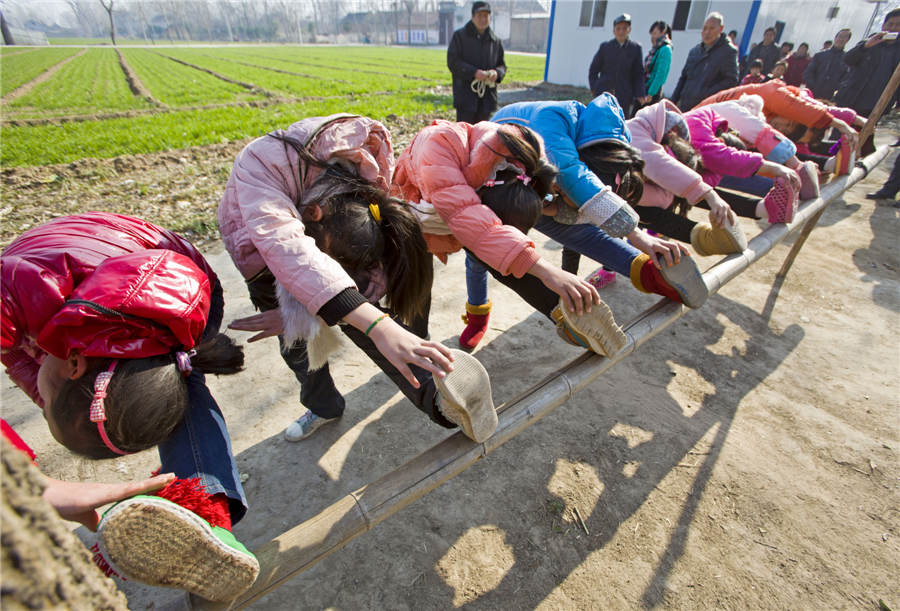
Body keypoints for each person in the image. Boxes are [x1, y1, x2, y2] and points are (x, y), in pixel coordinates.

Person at [0, 212, 259, 602]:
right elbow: (19, 357)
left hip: (188, 288)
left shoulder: (10, 292)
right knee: (146, 399)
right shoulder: (29, 319)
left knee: (173, 392)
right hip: (127, 278)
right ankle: (208, 515)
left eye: (45, 404)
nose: (40, 399)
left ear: (75, 364)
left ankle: (209, 516)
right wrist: (35, 472)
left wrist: (25, 484)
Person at [219, 114, 499, 444]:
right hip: (265, 258)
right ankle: (323, 406)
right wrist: (306, 313)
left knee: (374, 322)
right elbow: (287, 249)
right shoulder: (259, 165)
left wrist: (374, 319)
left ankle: (440, 401)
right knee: (302, 340)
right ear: (313, 215)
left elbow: (354, 279)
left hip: (328, 244)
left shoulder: (361, 170)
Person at [453, 95, 711, 350]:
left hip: (537, 180)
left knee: (580, 230)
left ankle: (650, 273)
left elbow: (581, 196)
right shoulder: (552, 128)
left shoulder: (602, 144)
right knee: (484, 250)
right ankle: (479, 315)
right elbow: (575, 179)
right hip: (495, 181)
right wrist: (638, 235)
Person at [393, 119, 630, 358]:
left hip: (463, 202)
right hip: (418, 207)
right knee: (419, 278)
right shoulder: (438, 147)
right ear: (482, 199)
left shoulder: (522, 158)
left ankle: (566, 314)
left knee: (505, 259)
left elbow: (493, 227)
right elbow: (477, 224)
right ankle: (419, 344)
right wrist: (549, 271)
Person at [627, 100, 749, 256]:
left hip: (603, 196)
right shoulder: (635, 134)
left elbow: (663, 184)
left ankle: (704, 238)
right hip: (592, 188)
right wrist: (710, 195)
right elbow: (660, 165)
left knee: (641, 209)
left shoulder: (647, 141)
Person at [684, 104, 802, 223]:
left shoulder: (709, 128)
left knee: (694, 186)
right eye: (788, 125)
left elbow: (711, 171)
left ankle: (763, 208)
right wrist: (777, 168)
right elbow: (722, 158)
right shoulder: (701, 120)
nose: (785, 128)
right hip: (670, 157)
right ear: (720, 141)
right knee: (695, 186)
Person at [446, 1, 506, 123]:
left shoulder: (495, 41)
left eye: (486, 16)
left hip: (487, 99)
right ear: (473, 17)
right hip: (466, 98)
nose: (483, 19)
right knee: (465, 134)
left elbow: (502, 65)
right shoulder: (460, 36)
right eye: (480, 15)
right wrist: (474, 73)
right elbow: (453, 61)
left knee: (483, 135)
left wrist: (497, 73)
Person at [836, 9, 900, 120]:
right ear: (883, 25)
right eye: (890, 24)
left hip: (877, 107)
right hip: (851, 100)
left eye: (898, 25)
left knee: (865, 136)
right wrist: (864, 47)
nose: (893, 28)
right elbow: (847, 60)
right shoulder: (869, 42)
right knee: (841, 135)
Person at [671, 12, 739, 112]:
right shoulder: (695, 51)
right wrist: (672, 102)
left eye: (711, 28)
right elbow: (683, 78)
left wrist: (705, 95)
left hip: (706, 110)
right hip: (685, 107)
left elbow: (731, 81)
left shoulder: (728, 52)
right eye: (705, 28)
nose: (707, 32)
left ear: (720, 29)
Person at [588, 13, 646, 117]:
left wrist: (640, 93)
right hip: (604, 94)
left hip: (624, 95)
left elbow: (638, 73)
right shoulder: (605, 47)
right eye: (618, 28)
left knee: (620, 123)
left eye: (624, 28)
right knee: (601, 120)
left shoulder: (635, 48)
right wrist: (595, 88)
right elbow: (593, 70)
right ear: (614, 30)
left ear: (629, 30)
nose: (621, 31)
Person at [803, 28, 851, 100]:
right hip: (811, 94)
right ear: (835, 38)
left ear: (847, 40)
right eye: (840, 36)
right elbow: (808, 73)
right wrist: (812, 86)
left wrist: (835, 92)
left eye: (845, 37)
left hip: (829, 99)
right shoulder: (820, 55)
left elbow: (845, 80)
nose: (841, 39)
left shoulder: (847, 60)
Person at [641, 20, 673, 106]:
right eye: (651, 34)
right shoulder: (656, 49)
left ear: (663, 32)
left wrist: (651, 93)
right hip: (645, 88)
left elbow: (661, 74)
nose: (652, 37)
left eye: (655, 33)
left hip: (652, 93)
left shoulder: (665, 49)